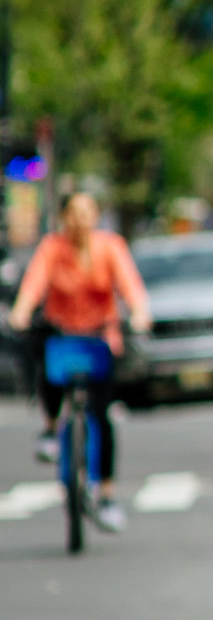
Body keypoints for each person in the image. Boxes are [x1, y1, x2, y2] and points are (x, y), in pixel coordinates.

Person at [7, 192, 151, 532]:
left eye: (87, 212)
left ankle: (106, 493)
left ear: (97, 216)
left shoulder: (111, 247)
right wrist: (21, 312)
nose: (80, 220)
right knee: (41, 355)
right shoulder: (52, 248)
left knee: (101, 417)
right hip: (62, 335)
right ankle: (51, 427)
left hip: (100, 338)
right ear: (63, 217)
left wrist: (140, 314)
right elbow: (33, 287)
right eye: (73, 213)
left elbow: (132, 288)